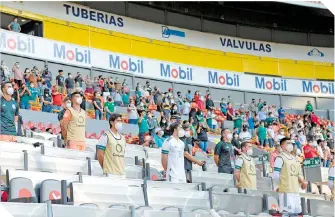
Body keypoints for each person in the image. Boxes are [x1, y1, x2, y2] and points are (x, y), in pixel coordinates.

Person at [273, 137, 307, 217]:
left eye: (291, 143)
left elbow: (299, 174)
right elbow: (276, 174)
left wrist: (303, 183)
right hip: (285, 191)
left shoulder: (295, 159)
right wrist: (278, 186)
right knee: (286, 213)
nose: (290, 145)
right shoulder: (280, 158)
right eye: (288, 143)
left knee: (295, 214)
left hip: (295, 191)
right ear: (282, 146)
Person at [97, 113, 126, 177]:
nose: (120, 123)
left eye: (121, 121)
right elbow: (100, 155)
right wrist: (105, 168)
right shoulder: (105, 135)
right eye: (118, 121)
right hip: (110, 173)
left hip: (121, 173)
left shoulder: (123, 138)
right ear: (112, 123)